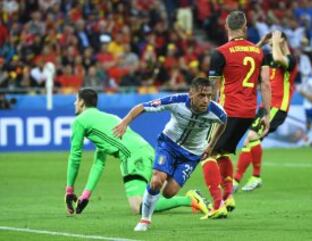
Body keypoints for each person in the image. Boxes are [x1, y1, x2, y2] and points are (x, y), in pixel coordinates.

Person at [65, 88, 210, 217]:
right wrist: (85, 195)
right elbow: (99, 162)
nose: (74, 103)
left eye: (76, 100)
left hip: (132, 156)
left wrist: (69, 190)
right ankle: (188, 199)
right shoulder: (108, 118)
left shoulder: (80, 121)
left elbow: (75, 157)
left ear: (82, 102)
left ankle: (190, 199)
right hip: (147, 150)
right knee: (153, 193)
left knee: (138, 206)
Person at [113, 77, 227, 231]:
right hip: (168, 145)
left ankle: (192, 195)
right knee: (156, 180)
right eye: (201, 95)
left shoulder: (217, 112)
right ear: (191, 94)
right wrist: (125, 121)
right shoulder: (176, 101)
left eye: (209, 96)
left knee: (169, 193)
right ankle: (145, 220)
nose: (206, 100)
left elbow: (223, 123)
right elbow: (143, 106)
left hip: (192, 155)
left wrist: (210, 146)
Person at [201, 10, 271, 219]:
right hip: (249, 112)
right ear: (245, 28)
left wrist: (208, 113)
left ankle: (217, 204)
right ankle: (228, 196)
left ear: (226, 27)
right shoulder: (260, 53)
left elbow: (213, 88)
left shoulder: (220, 53)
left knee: (206, 154)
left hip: (227, 112)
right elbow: (265, 84)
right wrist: (265, 114)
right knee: (222, 152)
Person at [233, 31, 298, 192]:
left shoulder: (291, 60)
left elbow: (278, 58)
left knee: (251, 136)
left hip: (278, 107)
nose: (271, 44)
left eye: (274, 41)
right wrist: (262, 42)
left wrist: (276, 41)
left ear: (283, 41)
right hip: (266, 106)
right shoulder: (268, 57)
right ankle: (237, 181)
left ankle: (253, 177)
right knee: (249, 142)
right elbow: (248, 58)